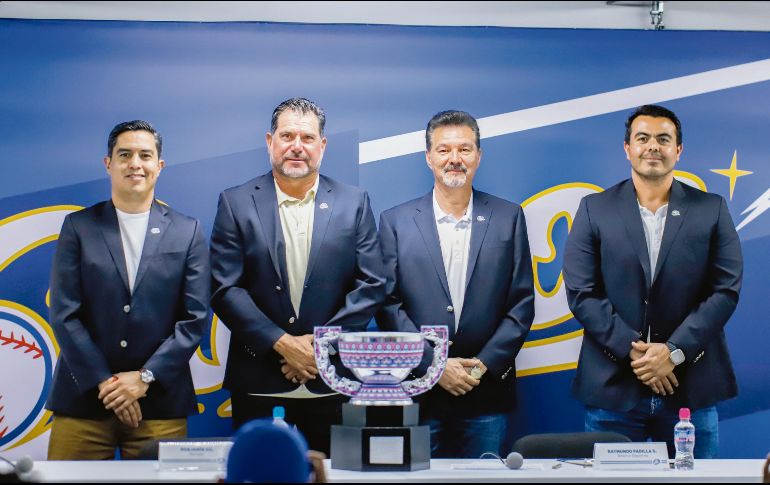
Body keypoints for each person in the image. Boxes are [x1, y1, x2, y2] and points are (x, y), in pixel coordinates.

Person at [563, 104, 743, 458]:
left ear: (679, 150)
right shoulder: (593, 209)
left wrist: (673, 352)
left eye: (664, 139)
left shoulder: (712, 209)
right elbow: (582, 293)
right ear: (627, 148)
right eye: (642, 138)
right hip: (613, 389)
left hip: (690, 386)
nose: (653, 147)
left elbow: (725, 290)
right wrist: (641, 355)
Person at [210, 97, 385, 455]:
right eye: (287, 135)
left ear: (322, 146)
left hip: (333, 379)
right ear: (269, 141)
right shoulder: (236, 202)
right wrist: (281, 342)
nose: (296, 146)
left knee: (333, 478)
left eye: (307, 138)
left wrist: (320, 347)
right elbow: (225, 288)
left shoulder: (354, 202)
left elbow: (372, 284)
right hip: (259, 379)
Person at [46, 120, 209, 459]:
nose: (136, 163)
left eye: (145, 155)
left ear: (159, 166)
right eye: (125, 154)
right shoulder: (78, 227)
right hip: (84, 402)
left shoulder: (187, 230)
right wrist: (107, 385)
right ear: (109, 164)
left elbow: (194, 319)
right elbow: (65, 313)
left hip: (160, 404)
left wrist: (145, 378)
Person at [376, 110, 535, 458]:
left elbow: (521, 304)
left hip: (486, 389)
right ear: (429, 157)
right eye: (444, 149)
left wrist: (482, 365)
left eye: (464, 149)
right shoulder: (395, 222)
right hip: (417, 389)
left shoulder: (508, 217)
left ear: (478, 155)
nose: (455, 159)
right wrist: (434, 365)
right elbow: (387, 304)